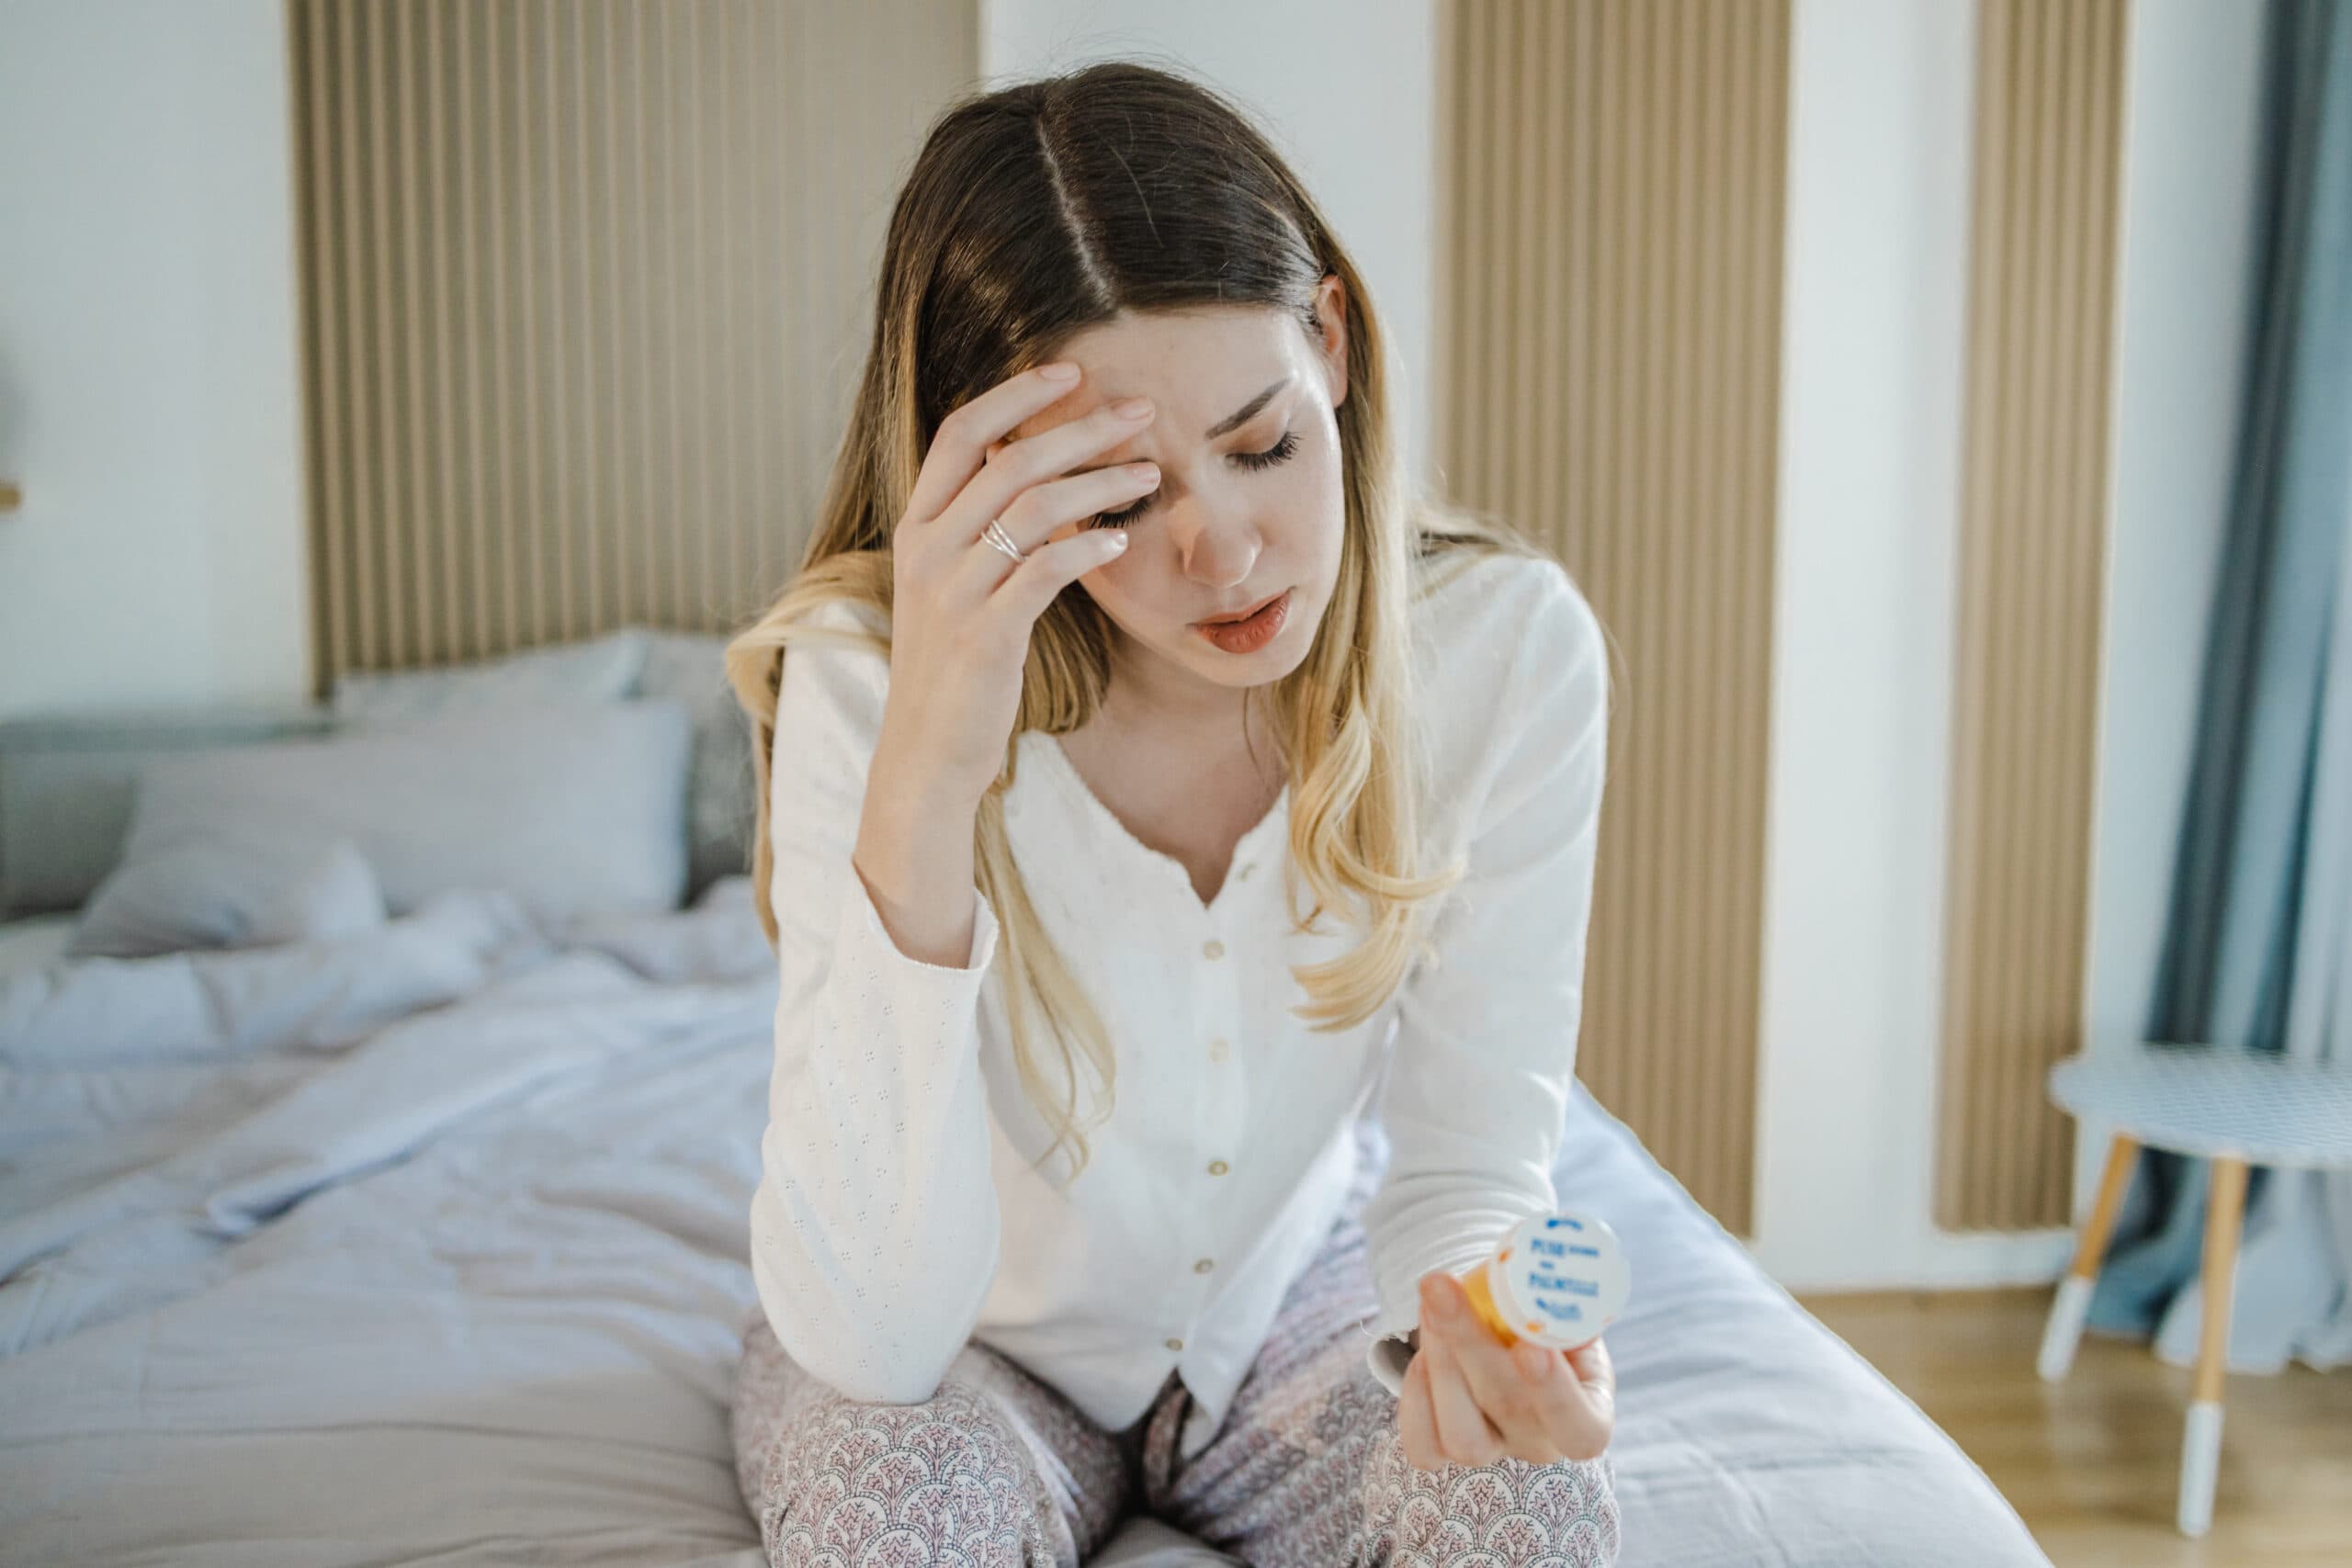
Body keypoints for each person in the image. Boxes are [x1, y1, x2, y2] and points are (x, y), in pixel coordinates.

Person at [722, 59, 1617, 1568]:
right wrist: (937, 751)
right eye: (1117, 500)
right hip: (968, 1357)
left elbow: (1468, 1169)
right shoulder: (870, 680)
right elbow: (871, 1339)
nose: (1225, 554)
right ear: (984, 481)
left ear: (1330, 342)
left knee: (1527, 1511)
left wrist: (1493, 1341)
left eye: (1263, 444)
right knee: (890, 1529)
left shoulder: (1504, 652)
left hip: (1294, 1321)